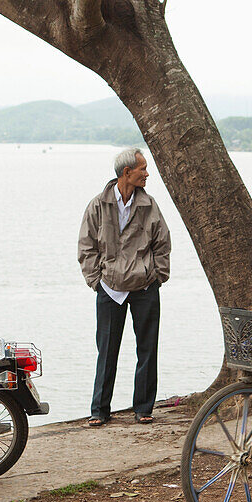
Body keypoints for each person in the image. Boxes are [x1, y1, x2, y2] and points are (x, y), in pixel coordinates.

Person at [78, 147, 171, 427]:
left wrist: (158, 276)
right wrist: (96, 282)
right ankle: (99, 410)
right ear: (126, 172)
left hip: (144, 288)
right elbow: (86, 246)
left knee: (147, 349)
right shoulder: (97, 205)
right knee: (107, 351)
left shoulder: (149, 204)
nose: (147, 173)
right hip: (109, 288)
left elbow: (162, 243)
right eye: (142, 169)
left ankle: (143, 408)